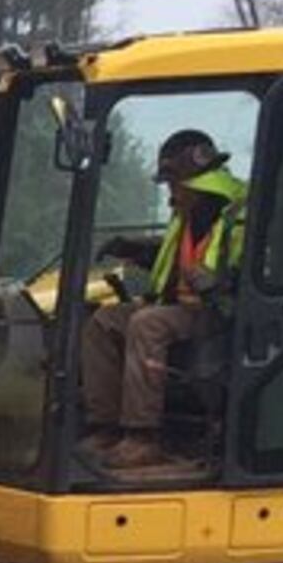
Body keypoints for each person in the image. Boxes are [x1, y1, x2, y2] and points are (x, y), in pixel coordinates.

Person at [77, 128, 248, 473]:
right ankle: (105, 426)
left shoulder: (238, 215)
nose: (170, 193)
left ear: (193, 183)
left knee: (147, 324)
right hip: (179, 307)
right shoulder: (188, 216)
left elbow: (251, 266)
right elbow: (172, 259)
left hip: (219, 312)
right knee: (104, 322)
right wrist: (134, 250)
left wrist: (221, 282)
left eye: (172, 184)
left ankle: (142, 437)